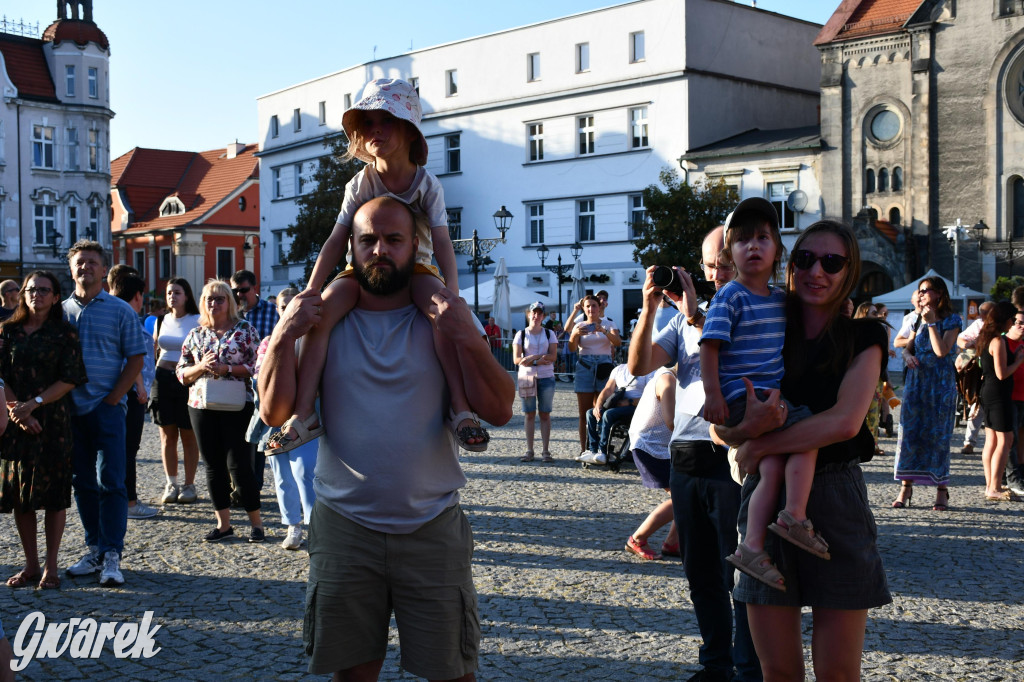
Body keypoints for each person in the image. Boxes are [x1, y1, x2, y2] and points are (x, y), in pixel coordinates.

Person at [258, 196, 513, 680]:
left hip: (432, 526)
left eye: (393, 239)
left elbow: (500, 409)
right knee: (351, 674)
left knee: (452, 673)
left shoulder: (440, 312)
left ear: (413, 245)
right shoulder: (326, 322)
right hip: (344, 529)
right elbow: (273, 410)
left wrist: (470, 338)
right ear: (350, 248)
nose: (380, 250)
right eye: (368, 240)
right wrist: (283, 335)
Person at [277, 77, 486, 457]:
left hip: (417, 268)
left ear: (408, 129)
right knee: (321, 315)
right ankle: (304, 413)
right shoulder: (360, 184)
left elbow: (441, 242)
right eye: (367, 122)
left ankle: (460, 408)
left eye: (385, 120)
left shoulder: (427, 185)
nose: (375, 129)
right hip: (360, 271)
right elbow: (337, 239)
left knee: (442, 315)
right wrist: (311, 289)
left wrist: (452, 294)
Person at [720, 219, 890, 681]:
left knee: (837, 674)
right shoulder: (763, 326)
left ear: (849, 271)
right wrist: (743, 435)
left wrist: (762, 445)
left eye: (832, 262)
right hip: (765, 502)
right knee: (778, 673)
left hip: (835, 499)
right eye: (806, 259)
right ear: (790, 264)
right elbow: (720, 426)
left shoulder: (865, 337)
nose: (818, 271)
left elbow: (844, 422)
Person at [628, 225, 761, 682]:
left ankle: (748, 665)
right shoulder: (681, 318)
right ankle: (716, 663)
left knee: (737, 572)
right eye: (710, 264)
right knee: (700, 573)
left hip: (730, 455)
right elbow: (637, 366)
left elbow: (733, 361)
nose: (718, 271)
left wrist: (696, 319)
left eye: (725, 261)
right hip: (685, 454)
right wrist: (649, 309)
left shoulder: (754, 308)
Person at [701, 198, 821, 592]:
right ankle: (795, 516)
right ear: (730, 254)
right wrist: (714, 397)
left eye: (763, 238)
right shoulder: (730, 296)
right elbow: (710, 347)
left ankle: (752, 546)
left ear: (777, 251)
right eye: (743, 240)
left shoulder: (781, 301)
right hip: (741, 397)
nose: (753, 246)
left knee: (770, 465)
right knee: (810, 433)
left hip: (765, 396)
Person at [62, 241, 148, 587]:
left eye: (92, 263)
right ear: (72, 269)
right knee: (81, 483)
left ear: (103, 269)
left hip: (108, 409)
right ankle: (94, 548)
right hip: (70, 410)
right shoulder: (61, 311)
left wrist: (113, 399)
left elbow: (137, 358)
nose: (86, 268)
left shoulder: (120, 310)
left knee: (112, 482)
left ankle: (113, 552)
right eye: (80, 263)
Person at [0, 272, 86, 590]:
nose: (36, 294)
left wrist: (33, 404)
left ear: (54, 296)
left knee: (53, 497)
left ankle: (51, 566)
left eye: (43, 290)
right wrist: (18, 411)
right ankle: (31, 565)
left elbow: (71, 378)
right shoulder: (7, 331)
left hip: (53, 422)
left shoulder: (65, 333)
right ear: (22, 294)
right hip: (16, 422)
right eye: (31, 289)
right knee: (22, 498)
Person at [176, 279, 264, 542]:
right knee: (213, 465)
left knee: (239, 465)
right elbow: (181, 373)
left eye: (219, 299)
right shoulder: (195, 334)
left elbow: (258, 366)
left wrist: (227, 369)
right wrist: (202, 366)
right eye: (209, 299)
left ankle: (257, 525)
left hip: (237, 404)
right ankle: (223, 525)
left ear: (230, 303)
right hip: (202, 406)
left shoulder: (245, 330)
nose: (214, 303)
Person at [251, 287, 317, 549]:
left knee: (305, 471)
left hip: (306, 413)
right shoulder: (269, 341)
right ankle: (292, 525)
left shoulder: (313, 337)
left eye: (292, 304)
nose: (288, 309)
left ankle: (315, 527)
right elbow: (260, 379)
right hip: (277, 416)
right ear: (277, 310)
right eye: (282, 306)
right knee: (281, 473)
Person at [893, 277, 962, 510]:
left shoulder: (952, 320)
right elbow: (907, 348)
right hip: (916, 384)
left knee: (938, 438)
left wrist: (931, 323)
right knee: (910, 435)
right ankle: (905, 487)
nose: (920, 295)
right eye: (919, 292)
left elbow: (941, 351)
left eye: (924, 291)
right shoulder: (916, 320)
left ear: (939, 293)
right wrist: (907, 357)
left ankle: (941, 490)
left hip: (940, 387)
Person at [109, 272, 159, 520]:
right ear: (138, 295)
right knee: (128, 449)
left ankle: (117, 499)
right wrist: (140, 387)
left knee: (116, 449)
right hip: (129, 392)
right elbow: (131, 357)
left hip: (118, 390)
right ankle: (129, 502)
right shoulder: (127, 317)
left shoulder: (110, 313)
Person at [152, 277, 202, 504]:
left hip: (188, 380)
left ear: (187, 295)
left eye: (177, 292)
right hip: (162, 378)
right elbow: (155, 349)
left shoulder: (198, 319)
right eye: (169, 292)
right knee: (167, 434)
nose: (172, 296)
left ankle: (189, 484)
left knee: (188, 434)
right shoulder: (161, 320)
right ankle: (171, 482)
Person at [623, 365, 679, 561]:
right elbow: (672, 421)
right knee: (682, 497)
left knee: (687, 494)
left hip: (659, 445)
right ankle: (637, 539)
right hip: (651, 446)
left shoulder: (671, 377)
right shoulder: (667, 380)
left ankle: (673, 542)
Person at [975, 301, 1024, 501]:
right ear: (1004, 319)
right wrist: (1019, 360)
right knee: (1005, 440)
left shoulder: (985, 338)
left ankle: (991, 484)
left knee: (992, 441)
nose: (1012, 323)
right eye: (1012, 319)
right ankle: (993, 487)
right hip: (998, 394)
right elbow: (1002, 373)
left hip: (989, 393)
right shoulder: (999, 341)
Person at [568, 294, 621, 452]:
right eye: (588, 306)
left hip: (604, 367)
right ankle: (585, 448)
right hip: (585, 365)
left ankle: (601, 447)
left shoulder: (609, 323)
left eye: (594, 306)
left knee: (602, 409)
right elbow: (571, 349)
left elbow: (617, 342)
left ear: (600, 308)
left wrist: (603, 331)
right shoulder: (580, 325)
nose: (591, 309)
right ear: (584, 309)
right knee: (584, 412)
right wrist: (575, 334)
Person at [578, 363, 652, 465]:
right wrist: (598, 405)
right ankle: (592, 450)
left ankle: (602, 452)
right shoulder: (619, 369)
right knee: (590, 413)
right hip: (618, 404)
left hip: (636, 407)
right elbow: (608, 389)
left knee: (608, 414)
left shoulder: (649, 371)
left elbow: (649, 396)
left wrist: (629, 402)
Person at [513, 302, 558, 462]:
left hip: (546, 376)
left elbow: (553, 356)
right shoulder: (521, 334)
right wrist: (537, 360)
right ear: (528, 314)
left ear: (543, 316)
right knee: (529, 414)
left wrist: (532, 358)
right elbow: (517, 359)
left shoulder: (549, 333)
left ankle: (546, 450)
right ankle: (529, 450)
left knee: (545, 414)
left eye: (539, 313)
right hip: (527, 377)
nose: (536, 316)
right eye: (534, 313)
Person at [956, 301, 994, 455]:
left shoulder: (1004, 325)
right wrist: (972, 344)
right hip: (980, 371)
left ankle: (992, 444)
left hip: (995, 371)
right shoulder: (978, 324)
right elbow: (961, 340)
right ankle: (969, 443)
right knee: (977, 405)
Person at [1003, 305, 1024, 497]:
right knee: (1010, 439)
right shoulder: (1001, 342)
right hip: (1007, 397)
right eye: (1018, 323)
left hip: (1023, 396)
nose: (1022, 327)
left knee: (1021, 438)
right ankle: (1012, 477)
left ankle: (1019, 471)